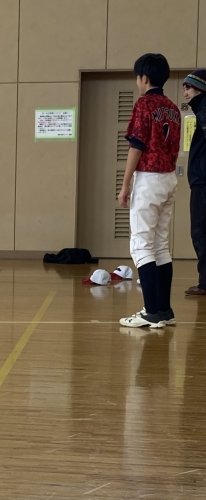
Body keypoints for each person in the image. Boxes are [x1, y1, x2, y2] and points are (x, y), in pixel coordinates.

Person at [117, 53, 180, 328]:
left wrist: (125, 184)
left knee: (141, 244)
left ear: (144, 77)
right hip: (168, 179)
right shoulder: (173, 108)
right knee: (160, 245)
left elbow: (137, 145)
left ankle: (151, 312)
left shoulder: (144, 104)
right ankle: (164, 310)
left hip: (149, 179)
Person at [182, 69, 206, 296]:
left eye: (188, 87)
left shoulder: (205, 110)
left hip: (203, 183)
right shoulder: (202, 110)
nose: (185, 93)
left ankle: (205, 283)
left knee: (200, 232)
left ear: (200, 88)